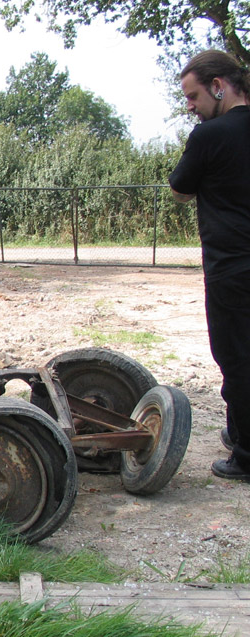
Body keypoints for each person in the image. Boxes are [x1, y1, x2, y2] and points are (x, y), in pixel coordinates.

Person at [169, 49, 250, 481]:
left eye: (194, 95)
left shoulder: (210, 136)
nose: (191, 106)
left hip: (233, 265)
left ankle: (246, 456)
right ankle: (239, 431)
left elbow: (180, 188)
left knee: (236, 357)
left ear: (219, 87)